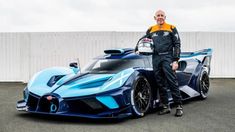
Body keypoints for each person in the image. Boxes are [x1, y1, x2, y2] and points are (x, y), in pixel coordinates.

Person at [135, 10, 183, 117]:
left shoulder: (171, 28)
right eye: (158, 16)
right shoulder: (151, 29)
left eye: (162, 15)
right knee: (160, 82)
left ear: (165, 17)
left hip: (168, 57)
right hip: (156, 58)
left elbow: (177, 44)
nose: (160, 17)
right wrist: (137, 48)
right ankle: (166, 106)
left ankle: (179, 106)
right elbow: (144, 39)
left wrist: (176, 60)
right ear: (154, 18)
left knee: (172, 81)